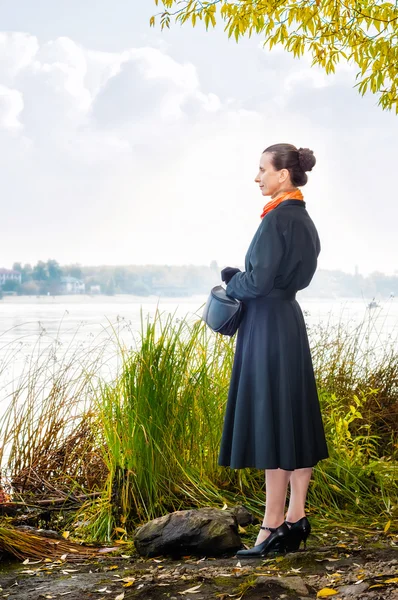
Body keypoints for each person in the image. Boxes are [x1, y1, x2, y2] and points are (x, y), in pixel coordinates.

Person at [219, 143, 329, 557]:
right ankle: (296, 517)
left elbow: (259, 281)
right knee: (293, 418)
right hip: (288, 321)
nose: (257, 176)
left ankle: (271, 525)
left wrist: (232, 282)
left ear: (283, 174)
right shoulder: (303, 219)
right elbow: (289, 278)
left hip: (265, 325)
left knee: (272, 421)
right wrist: (249, 278)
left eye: (262, 169)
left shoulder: (275, 220)